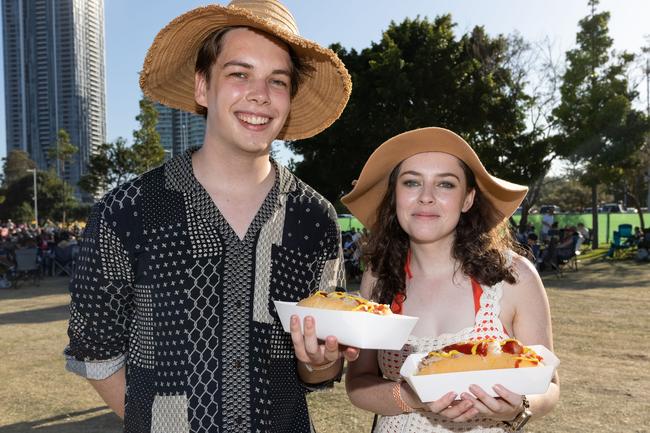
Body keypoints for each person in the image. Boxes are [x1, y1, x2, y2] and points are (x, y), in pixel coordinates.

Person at [64, 1, 355, 432]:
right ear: (203, 87)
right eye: (239, 74)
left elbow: (318, 376)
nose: (259, 93)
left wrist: (321, 362)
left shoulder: (315, 218)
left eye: (278, 81)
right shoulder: (124, 211)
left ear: (290, 99)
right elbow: (95, 351)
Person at [341, 127, 559, 432]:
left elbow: (548, 385)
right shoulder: (377, 278)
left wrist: (517, 408)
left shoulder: (514, 277)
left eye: (445, 184)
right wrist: (411, 396)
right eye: (412, 182)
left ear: (467, 199)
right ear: (395, 196)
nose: (426, 197)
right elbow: (358, 384)